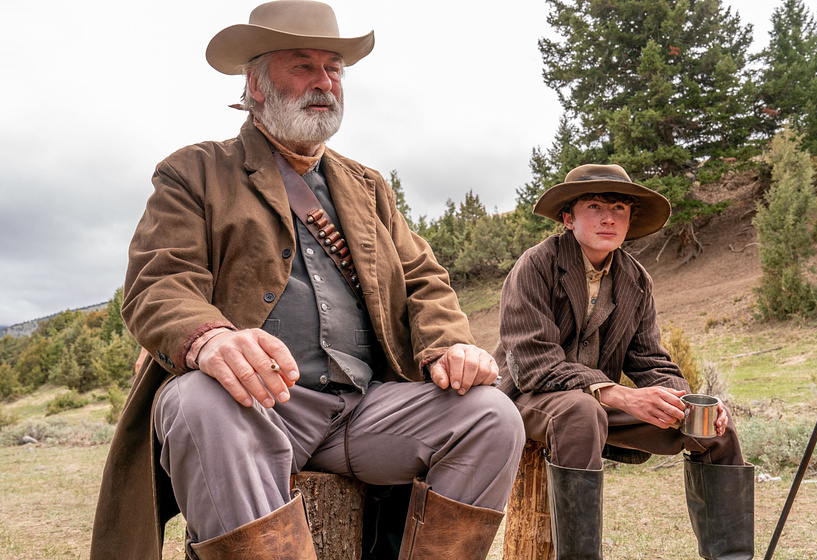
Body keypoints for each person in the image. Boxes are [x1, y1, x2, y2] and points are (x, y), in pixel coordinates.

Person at [89, 2, 525, 559]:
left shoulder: (366, 186)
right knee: (195, 400)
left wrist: (450, 343)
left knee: (490, 417)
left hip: (365, 408)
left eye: (334, 69)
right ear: (256, 82)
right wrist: (212, 338)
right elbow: (158, 281)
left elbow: (424, 278)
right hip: (251, 405)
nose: (324, 82)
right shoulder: (193, 172)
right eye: (303, 66)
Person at [493, 164, 754, 560]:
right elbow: (531, 361)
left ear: (629, 220)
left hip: (601, 405)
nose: (608, 217)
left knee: (713, 425)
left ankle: (731, 558)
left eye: (619, 208)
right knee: (580, 412)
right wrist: (618, 394)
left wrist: (686, 400)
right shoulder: (537, 264)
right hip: (525, 397)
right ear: (568, 217)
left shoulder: (636, 279)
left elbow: (650, 360)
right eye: (594, 205)